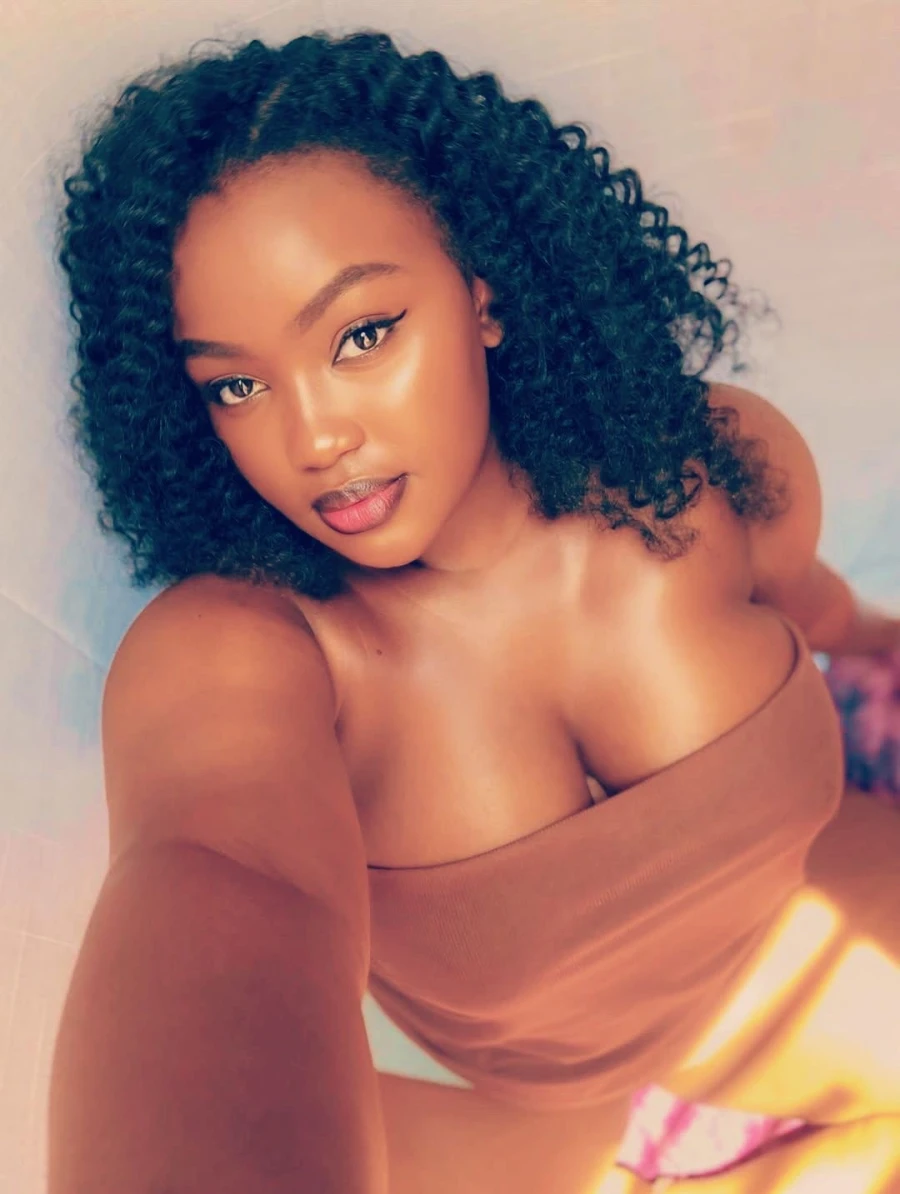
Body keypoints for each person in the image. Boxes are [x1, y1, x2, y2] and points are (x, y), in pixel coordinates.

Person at [48, 27, 900, 1194]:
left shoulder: (709, 466)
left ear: (483, 291)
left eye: (361, 335)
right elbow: (216, 879)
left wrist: (872, 654)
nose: (315, 437)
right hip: (533, 1129)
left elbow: (831, 617)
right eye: (236, 385)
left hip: (807, 945)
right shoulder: (244, 654)